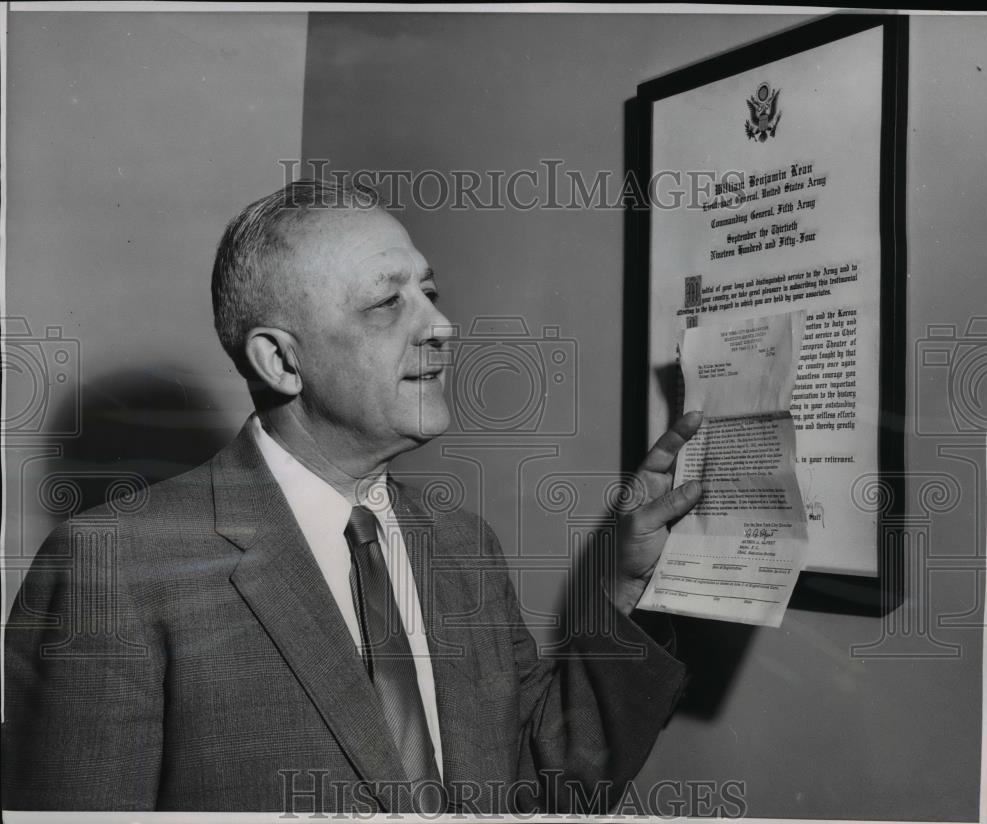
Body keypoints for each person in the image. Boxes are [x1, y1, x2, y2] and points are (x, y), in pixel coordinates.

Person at [2, 179, 703, 814]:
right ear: (280, 361)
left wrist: (620, 586)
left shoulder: (463, 544)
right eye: (387, 302)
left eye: (430, 292)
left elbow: (547, 779)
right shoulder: (113, 567)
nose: (439, 326)